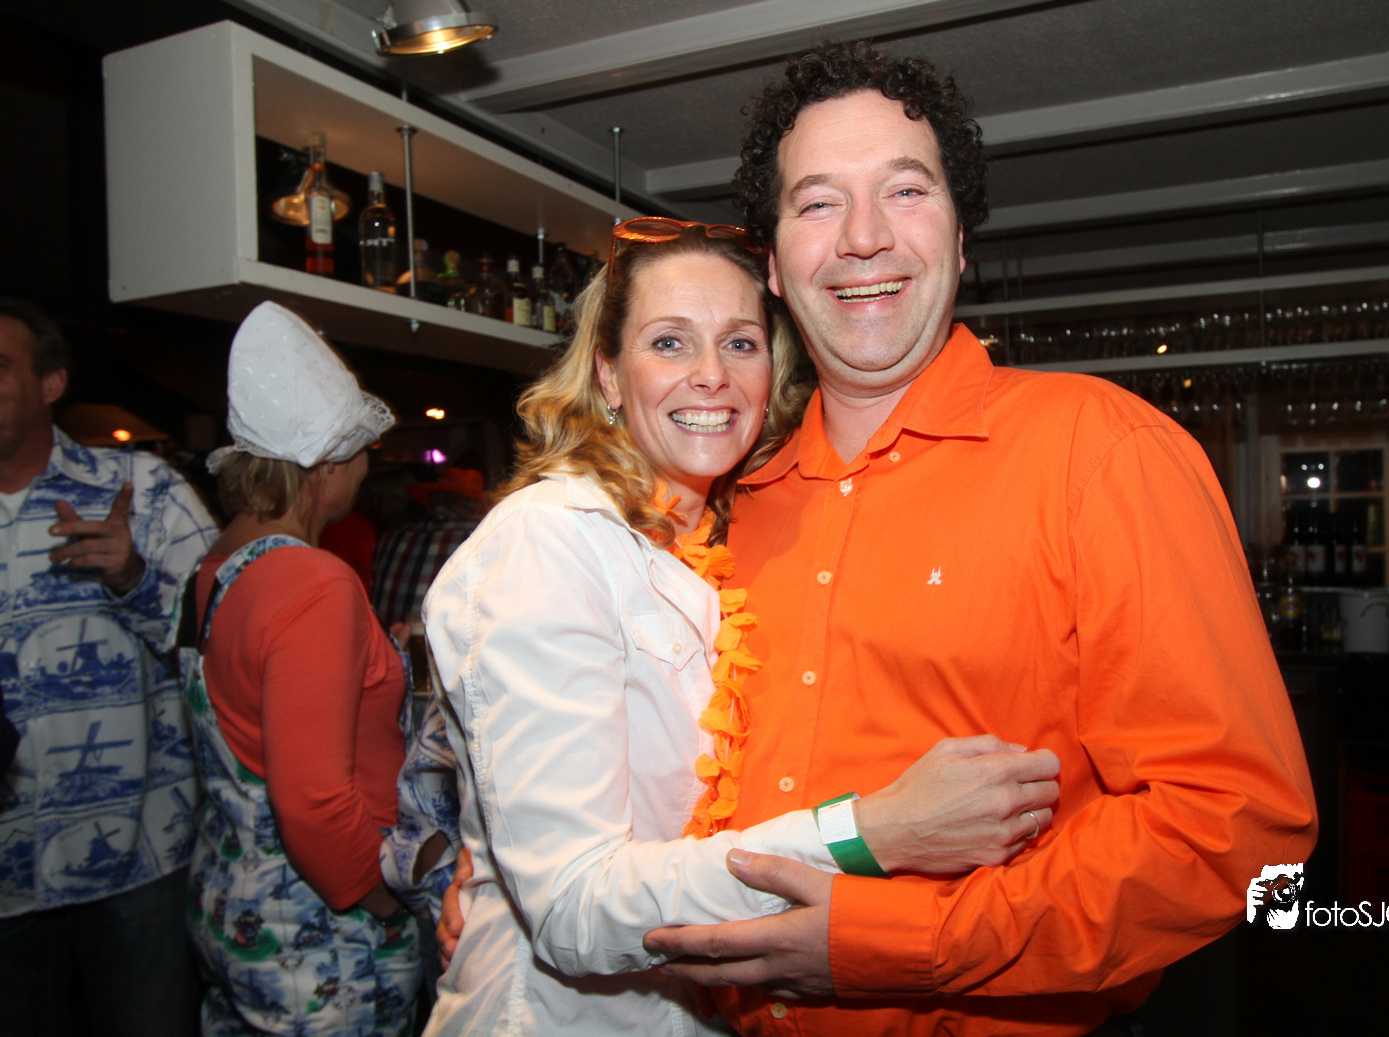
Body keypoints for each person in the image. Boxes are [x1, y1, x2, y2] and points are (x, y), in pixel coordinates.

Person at [639, 42, 1320, 1037]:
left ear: (960, 243)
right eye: (818, 203)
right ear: (774, 265)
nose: (863, 237)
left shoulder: (1100, 452)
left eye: (904, 191)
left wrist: (904, 937)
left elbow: (1238, 826)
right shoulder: (729, 500)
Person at [421, 218, 1060, 1036]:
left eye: (740, 344)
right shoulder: (547, 542)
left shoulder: (727, 536)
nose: (711, 375)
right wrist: (873, 832)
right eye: (669, 342)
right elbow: (573, 907)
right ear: (608, 373)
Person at [184, 301, 418, 1036]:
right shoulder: (314, 582)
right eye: (362, 451)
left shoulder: (220, 565)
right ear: (328, 465)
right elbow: (314, 804)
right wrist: (388, 903)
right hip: (317, 930)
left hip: (233, 897)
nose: (368, 467)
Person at [0, 297, 217, 1037]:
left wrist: (134, 578)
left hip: (133, 851)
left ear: (51, 382)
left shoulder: (142, 489)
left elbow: (221, 638)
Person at [369, 465, 486, 629]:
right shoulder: (479, 538)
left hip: (389, 641)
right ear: (473, 503)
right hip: (440, 644)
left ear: (432, 499)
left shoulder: (390, 537)